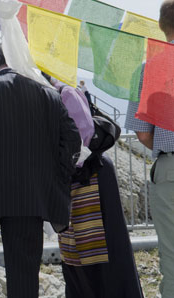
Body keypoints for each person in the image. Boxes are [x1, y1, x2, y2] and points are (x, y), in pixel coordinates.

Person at [0, 45, 81, 298]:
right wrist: (56, 178)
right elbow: (73, 141)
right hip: (30, 196)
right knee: (23, 270)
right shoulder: (50, 95)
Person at [46, 75, 144, 298]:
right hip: (77, 178)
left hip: (89, 175)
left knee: (100, 253)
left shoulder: (65, 94)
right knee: (76, 252)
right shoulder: (55, 94)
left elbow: (83, 137)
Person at [125, 1, 174, 296]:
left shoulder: (148, 68)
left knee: (170, 255)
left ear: (160, 25)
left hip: (168, 170)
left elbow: (142, 134)